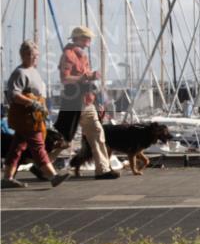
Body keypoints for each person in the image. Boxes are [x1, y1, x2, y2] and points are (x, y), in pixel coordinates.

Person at [2, 41, 69, 189]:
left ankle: (7, 177)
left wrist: (42, 108)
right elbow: (13, 94)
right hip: (26, 118)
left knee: (16, 148)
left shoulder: (33, 71)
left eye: (36, 55)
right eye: (30, 55)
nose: (34, 58)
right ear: (23, 55)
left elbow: (39, 94)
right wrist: (32, 103)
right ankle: (53, 176)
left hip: (34, 117)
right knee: (38, 146)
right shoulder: (20, 73)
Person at [56, 26, 118, 180]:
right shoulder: (68, 55)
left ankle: (103, 169)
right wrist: (86, 78)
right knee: (65, 137)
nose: (89, 41)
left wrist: (91, 75)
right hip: (74, 103)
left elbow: (82, 75)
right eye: (86, 38)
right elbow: (65, 78)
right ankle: (41, 165)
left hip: (86, 101)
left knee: (97, 132)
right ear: (77, 38)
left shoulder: (81, 55)